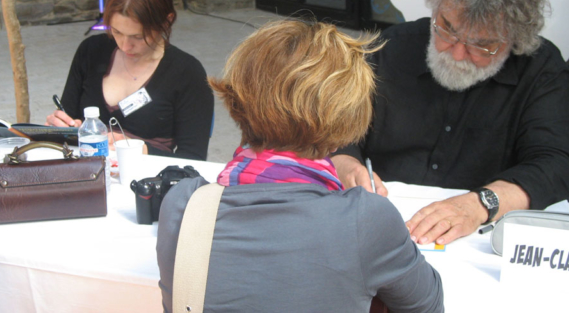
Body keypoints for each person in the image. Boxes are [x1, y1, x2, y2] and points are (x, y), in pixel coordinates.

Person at [157, 20, 444, 312]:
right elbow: (428, 306)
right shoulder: (367, 220)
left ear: (237, 100)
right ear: (344, 122)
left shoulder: (183, 204)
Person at [332, 0, 569, 246]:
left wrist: (480, 204)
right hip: (378, 225)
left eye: (482, 45)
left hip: (481, 235)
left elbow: (557, 166)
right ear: (436, 8)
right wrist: (346, 164)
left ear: (514, 39)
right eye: (446, 29)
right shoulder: (390, 49)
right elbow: (335, 125)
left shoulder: (539, 68)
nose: (457, 53)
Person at [46, 0, 214, 161]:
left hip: (149, 180)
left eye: (138, 36)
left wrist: (138, 149)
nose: (125, 45)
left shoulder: (186, 73)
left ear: (167, 22)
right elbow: (69, 119)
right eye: (116, 32)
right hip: (88, 171)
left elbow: (193, 159)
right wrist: (61, 126)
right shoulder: (91, 51)